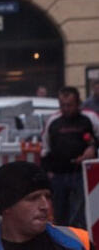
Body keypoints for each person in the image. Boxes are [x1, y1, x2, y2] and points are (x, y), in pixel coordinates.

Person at [41, 86, 98, 228]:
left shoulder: (90, 118)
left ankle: (82, 243)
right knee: (60, 215)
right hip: (59, 175)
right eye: (62, 105)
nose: (66, 109)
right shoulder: (53, 121)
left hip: (82, 174)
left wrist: (92, 148)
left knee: (80, 214)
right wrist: (48, 172)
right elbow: (45, 147)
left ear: (78, 103)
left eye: (69, 105)